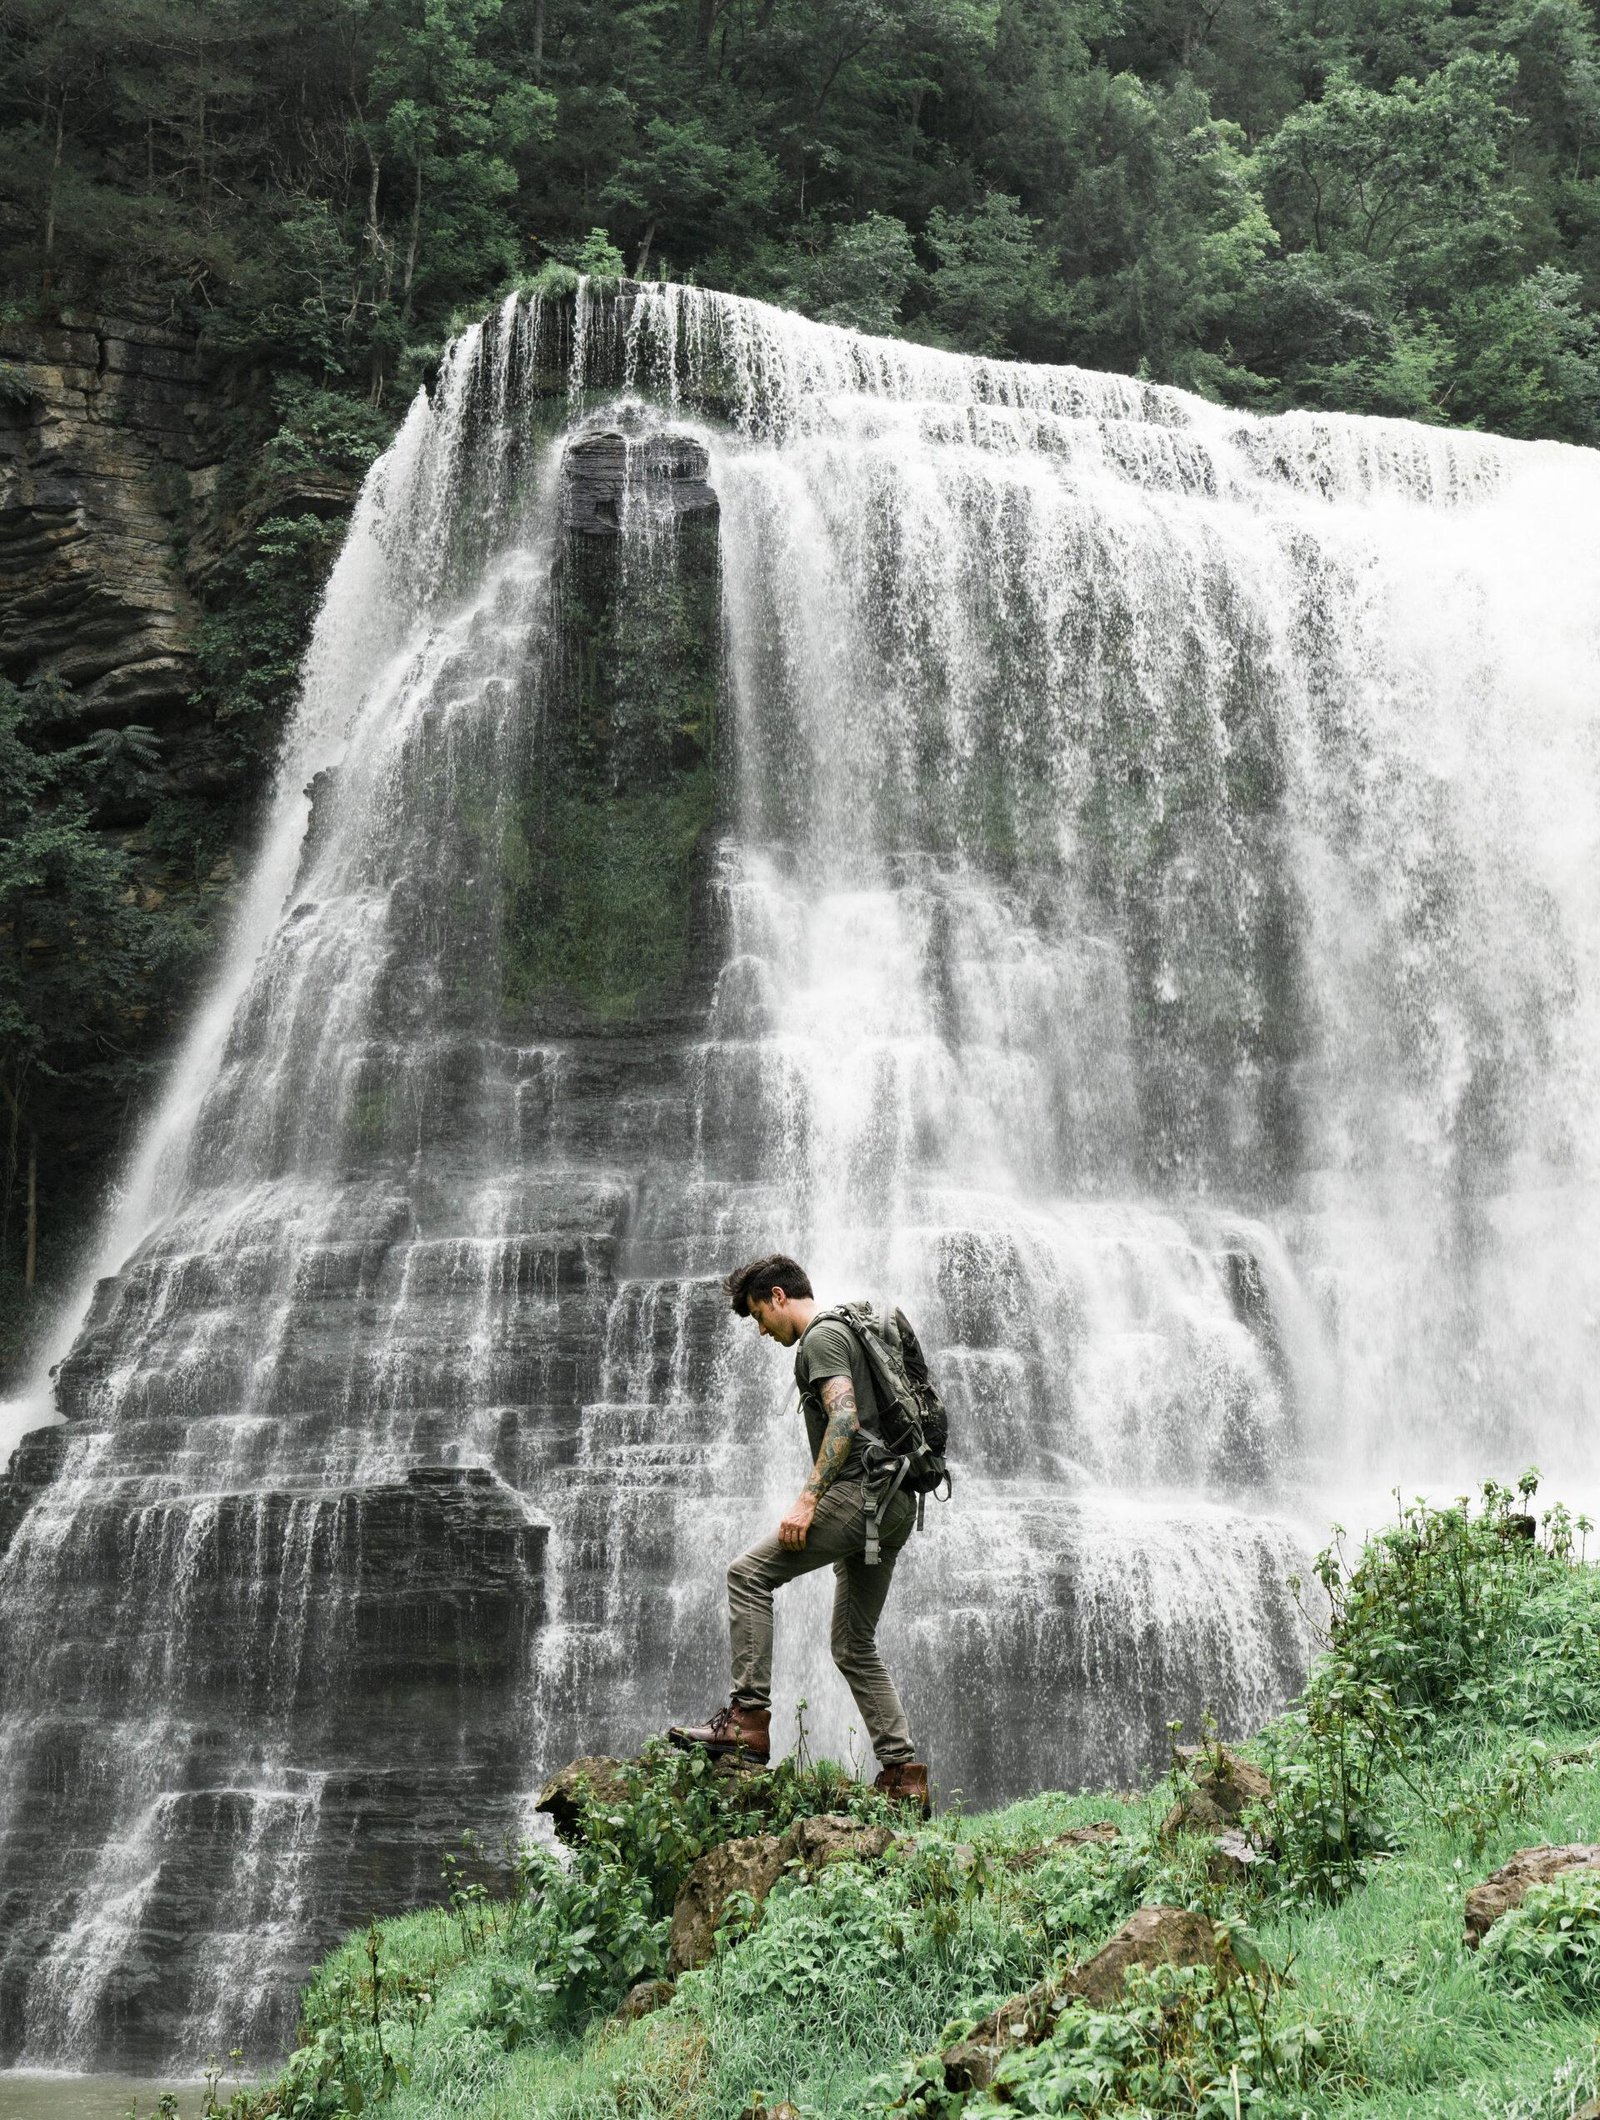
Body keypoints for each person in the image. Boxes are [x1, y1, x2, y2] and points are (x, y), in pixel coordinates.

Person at [667, 1253, 931, 1812]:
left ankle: (747, 1720)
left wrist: (808, 1500)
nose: (761, 1330)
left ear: (778, 1297)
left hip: (859, 1497)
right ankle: (904, 1774)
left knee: (746, 1575)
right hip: (896, 1502)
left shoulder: (820, 1338)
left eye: (758, 1315)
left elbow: (842, 1419)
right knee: (853, 1643)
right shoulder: (854, 1332)